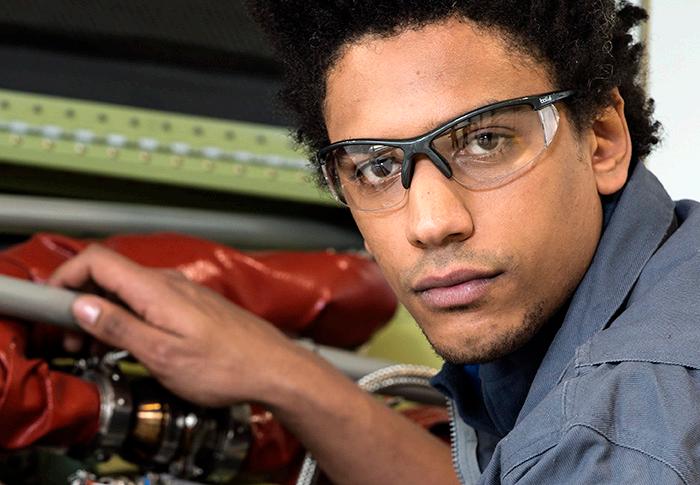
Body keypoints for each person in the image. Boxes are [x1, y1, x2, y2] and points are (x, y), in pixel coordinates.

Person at [48, 1, 700, 483]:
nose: (430, 222)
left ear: (602, 139)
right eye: (378, 167)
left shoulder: (620, 437)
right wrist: (280, 372)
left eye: (486, 141)